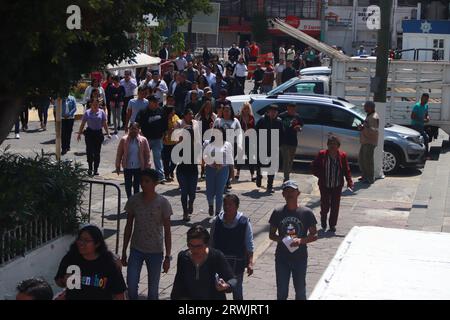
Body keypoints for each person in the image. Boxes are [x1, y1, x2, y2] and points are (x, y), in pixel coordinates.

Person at [121, 168, 173, 300]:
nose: (143, 184)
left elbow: (167, 231)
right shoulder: (134, 201)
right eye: (141, 181)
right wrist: (123, 251)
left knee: (153, 290)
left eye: (147, 181)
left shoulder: (163, 203)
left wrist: (167, 257)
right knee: (131, 285)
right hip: (136, 249)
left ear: (155, 183)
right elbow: (128, 227)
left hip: (155, 251)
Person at [269, 180, 318, 300]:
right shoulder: (277, 212)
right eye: (287, 191)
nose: (290, 194)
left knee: (300, 292)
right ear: (283, 195)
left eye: (292, 191)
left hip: (300, 258)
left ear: (298, 193)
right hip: (282, 258)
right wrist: (282, 239)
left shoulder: (307, 213)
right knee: (282, 293)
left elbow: (314, 235)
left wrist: (301, 241)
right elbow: (271, 235)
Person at [55, 225, 126, 300]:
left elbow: (119, 293)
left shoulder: (109, 264)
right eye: (80, 239)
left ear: (97, 244)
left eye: (86, 240)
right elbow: (58, 281)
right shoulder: (70, 258)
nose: (81, 243)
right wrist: (64, 281)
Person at [170, 225, 237, 300]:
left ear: (207, 244)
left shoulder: (216, 256)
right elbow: (178, 283)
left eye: (198, 246)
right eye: (191, 245)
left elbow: (232, 279)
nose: (194, 250)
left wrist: (226, 286)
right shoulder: (183, 257)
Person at [210, 194, 254, 300]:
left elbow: (249, 244)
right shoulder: (216, 221)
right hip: (219, 263)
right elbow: (211, 243)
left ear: (237, 206)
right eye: (225, 204)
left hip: (237, 263)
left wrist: (250, 262)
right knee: (217, 290)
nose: (227, 207)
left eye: (230, 204)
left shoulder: (244, 222)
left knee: (237, 291)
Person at [312, 135, 353, 232]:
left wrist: (349, 181)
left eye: (334, 144)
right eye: (330, 143)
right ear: (327, 145)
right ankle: (323, 220)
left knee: (335, 206)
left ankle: (332, 224)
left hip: (337, 185)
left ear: (338, 145)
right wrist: (320, 175)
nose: (332, 146)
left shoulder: (342, 155)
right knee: (325, 205)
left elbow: (346, 169)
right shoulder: (322, 154)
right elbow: (313, 166)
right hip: (324, 184)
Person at [174, 109, 201, 221]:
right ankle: (185, 212)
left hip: (193, 171)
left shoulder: (196, 147)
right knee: (184, 192)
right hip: (182, 171)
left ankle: (191, 203)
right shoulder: (179, 147)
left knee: (192, 193)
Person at [136, 96, 168, 183]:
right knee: (145, 157)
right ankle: (144, 175)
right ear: (150, 102)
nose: (157, 103)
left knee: (158, 158)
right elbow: (137, 123)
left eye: (157, 102)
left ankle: (160, 176)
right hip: (146, 139)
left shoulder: (161, 111)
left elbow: (165, 124)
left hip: (158, 139)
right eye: (155, 102)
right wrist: (139, 133)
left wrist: (165, 134)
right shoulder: (143, 112)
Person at [204, 127, 234, 216]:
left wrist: (232, 171)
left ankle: (217, 213)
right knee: (209, 190)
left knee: (219, 192)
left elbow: (230, 158)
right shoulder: (207, 143)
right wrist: (211, 161)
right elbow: (204, 156)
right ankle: (210, 205)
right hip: (210, 169)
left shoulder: (227, 144)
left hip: (223, 170)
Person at [116, 122, 151, 198]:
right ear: (129, 129)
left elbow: (147, 154)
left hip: (138, 167)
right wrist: (117, 165)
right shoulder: (124, 140)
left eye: (135, 129)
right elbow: (119, 153)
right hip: (127, 167)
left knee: (136, 186)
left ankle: (135, 202)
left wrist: (147, 165)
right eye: (131, 129)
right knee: (128, 186)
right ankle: (129, 200)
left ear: (139, 130)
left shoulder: (143, 140)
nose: (133, 131)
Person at [76, 98, 111, 176]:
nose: (95, 106)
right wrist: (79, 133)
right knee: (89, 152)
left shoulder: (102, 112)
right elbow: (83, 124)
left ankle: (96, 169)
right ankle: (90, 168)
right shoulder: (87, 113)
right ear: (90, 104)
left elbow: (104, 123)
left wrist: (108, 133)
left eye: (97, 104)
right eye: (94, 104)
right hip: (89, 133)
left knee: (97, 153)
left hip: (98, 133)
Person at [214, 104, 242, 191]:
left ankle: (227, 181)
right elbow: (213, 132)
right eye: (225, 110)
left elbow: (239, 133)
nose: (226, 112)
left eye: (228, 110)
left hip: (231, 146)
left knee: (229, 164)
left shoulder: (235, 121)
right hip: (219, 146)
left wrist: (240, 144)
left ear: (231, 111)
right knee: (220, 164)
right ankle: (220, 180)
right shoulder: (218, 120)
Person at [255, 104, 283, 193]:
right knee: (260, 165)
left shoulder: (279, 121)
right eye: (271, 111)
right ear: (268, 112)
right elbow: (256, 132)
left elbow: (282, 134)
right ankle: (259, 177)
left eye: (275, 112)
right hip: (262, 146)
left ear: (277, 113)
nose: (273, 113)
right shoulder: (262, 120)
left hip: (273, 147)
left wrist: (279, 145)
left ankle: (269, 186)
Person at [279, 103, 303, 182]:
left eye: (294, 109)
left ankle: (287, 174)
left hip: (293, 141)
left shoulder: (297, 116)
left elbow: (301, 126)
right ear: (287, 108)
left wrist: (299, 128)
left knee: (290, 161)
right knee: (286, 160)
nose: (292, 111)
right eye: (290, 109)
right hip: (284, 141)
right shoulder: (282, 116)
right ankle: (286, 178)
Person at [358, 101, 379, 184]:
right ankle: (365, 176)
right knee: (362, 159)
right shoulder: (369, 115)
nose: (364, 108)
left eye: (366, 107)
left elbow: (373, 132)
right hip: (365, 141)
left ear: (370, 108)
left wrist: (363, 128)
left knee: (368, 161)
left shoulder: (373, 117)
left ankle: (370, 178)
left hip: (369, 142)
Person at [236, 102, 256, 181]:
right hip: (241, 138)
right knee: (240, 155)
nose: (246, 110)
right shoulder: (239, 117)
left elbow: (253, 128)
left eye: (247, 108)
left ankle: (252, 174)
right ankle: (237, 172)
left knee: (250, 157)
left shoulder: (251, 117)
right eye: (245, 108)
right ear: (242, 109)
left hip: (249, 139)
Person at [162, 105, 180, 182]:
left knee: (175, 159)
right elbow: (161, 130)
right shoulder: (163, 119)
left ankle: (171, 170)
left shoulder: (176, 117)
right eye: (172, 111)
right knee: (166, 160)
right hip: (166, 143)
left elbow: (180, 125)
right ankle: (166, 174)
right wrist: (168, 131)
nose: (174, 112)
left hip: (175, 142)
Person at [411, 93, 430, 158]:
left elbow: (426, 113)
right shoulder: (417, 106)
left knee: (422, 140)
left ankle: (421, 155)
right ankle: (426, 155)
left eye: (427, 99)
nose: (426, 100)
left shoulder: (426, 105)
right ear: (422, 98)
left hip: (421, 126)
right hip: (415, 126)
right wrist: (422, 120)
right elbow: (412, 117)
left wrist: (427, 117)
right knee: (425, 138)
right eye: (425, 99)